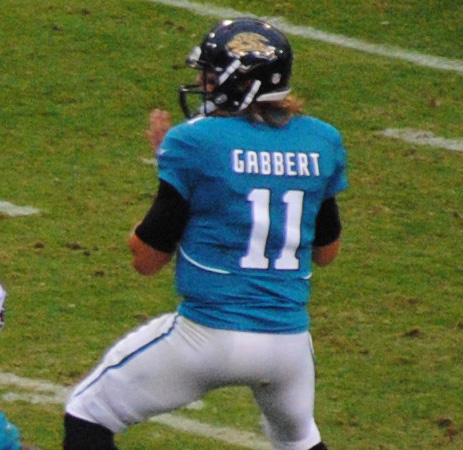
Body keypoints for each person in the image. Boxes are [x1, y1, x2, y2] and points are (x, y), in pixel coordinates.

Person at [63, 17, 348, 450]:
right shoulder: (322, 139)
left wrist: (170, 177)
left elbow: (147, 260)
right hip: (289, 345)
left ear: (239, 82)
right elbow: (326, 251)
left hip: (208, 337)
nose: (202, 82)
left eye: (211, 74)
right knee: (300, 441)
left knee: (88, 414)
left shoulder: (195, 142)